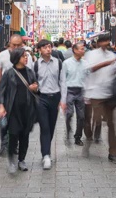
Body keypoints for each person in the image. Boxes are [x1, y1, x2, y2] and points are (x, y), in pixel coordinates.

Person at [0, 34, 33, 156]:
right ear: (9, 44)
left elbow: (30, 74)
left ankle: (15, 145)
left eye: (18, 45)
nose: (15, 47)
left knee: (19, 121)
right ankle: (4, 145)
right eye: (13, 45)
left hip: (21, 94)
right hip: (6, 92)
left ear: (22, 45)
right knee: (3, 119)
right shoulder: (3, 55)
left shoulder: (27, 56)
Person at [0, 48, 39, 174]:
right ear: (16, 58)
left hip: (27, 109)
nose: (26, 58)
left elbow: (36, 87)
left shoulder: (30, 72)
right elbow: (2, 91)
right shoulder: (9, 73)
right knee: (13, 135)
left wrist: (35, 88)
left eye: (26, 56)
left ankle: (22, 160)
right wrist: (2, 106)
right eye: (23, 56)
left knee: (24, 136)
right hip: (13, 110)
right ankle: (11, 161)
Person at [82, 33, 116, 164]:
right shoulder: (91, 55)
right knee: (96, 120)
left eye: (107, 42)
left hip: (109, 94)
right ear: (98, 43)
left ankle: (113, 153)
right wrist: (106, 64)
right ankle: (88, 138)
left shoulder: (112, 55)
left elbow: (115, 72)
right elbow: (89, 70)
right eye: (103, 42)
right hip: (94, 93)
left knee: (111, 124)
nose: (106, 44)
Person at [34, 39, 66, 170]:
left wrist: (63, 100)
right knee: (45, 127)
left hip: (55, 97)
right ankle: (46, 155)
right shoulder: (35, 64)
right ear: (39, 50)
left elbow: (63, 82)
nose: (48, 49)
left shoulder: (58, 63)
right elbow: (32, 81)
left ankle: (46, 151)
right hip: (42, 98)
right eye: (45, 47)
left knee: (51, 127)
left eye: (49, 47)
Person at [61, 42, 87, 146]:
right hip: (69, 91)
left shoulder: (85, 63)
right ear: (75, 50)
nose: (83, 50)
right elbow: (62, 80)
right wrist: (62, 99)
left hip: (80, 91)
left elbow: (89, 77)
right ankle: (68, 132)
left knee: (81, 116)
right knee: (69, 114)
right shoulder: (66, 63)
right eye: (81, 49)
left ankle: (78, 137)